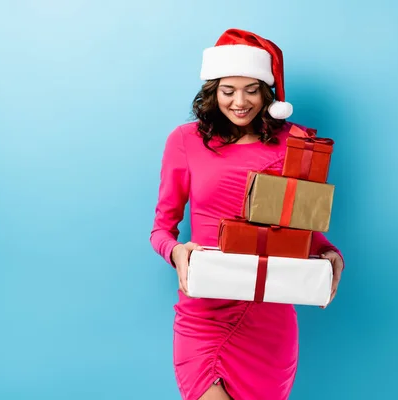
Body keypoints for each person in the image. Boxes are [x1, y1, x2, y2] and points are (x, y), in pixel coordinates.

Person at [150, 29, 344, 400]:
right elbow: (161, 229)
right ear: (212, 92)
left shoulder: (295, 141)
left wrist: (329, 252)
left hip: (267, 315)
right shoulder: (184, 141)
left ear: (267, 92)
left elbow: (301, 223)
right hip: (203, 311)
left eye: (251, 90)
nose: (240, 102)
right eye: (228, 91)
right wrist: (175, 252)